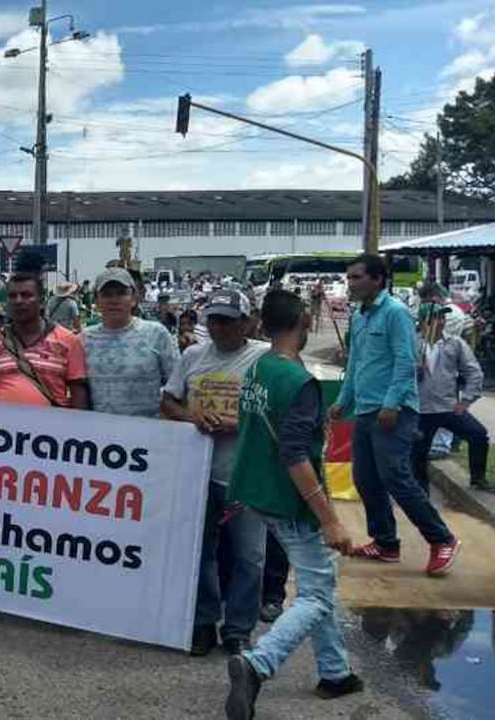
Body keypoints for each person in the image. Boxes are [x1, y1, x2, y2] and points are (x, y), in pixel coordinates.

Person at [224, 289, 362, 720]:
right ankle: (257, 663)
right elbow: (296, 456)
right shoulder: (298, 382)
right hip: (290, 501)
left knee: (317, 584)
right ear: (305, 322)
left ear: (262, 325)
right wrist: (330, 520)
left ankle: (335, 672)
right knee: (317, 595)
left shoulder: (260, 368)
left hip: (256, 491)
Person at [331, 254, 460, 575]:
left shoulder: (396, 313)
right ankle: (386, 542)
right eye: (349, 278)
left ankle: (442, 538)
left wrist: (391, 404)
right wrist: (342, 402)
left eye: (356, 277)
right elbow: (356, 365)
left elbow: (405, 362)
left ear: (377, 279)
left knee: (396, 477)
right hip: (364, 410)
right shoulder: (359, 316)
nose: (350, 283)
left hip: (393, 412)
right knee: (365, 479)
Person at [161, 290, 270, 657]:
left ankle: (239, 629)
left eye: (228, 319)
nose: (219, 327)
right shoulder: (192, 356)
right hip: (198, 473)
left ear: (247, 322)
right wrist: (193, 417)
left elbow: (281, 412)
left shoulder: (264, 359)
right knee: (199, 552)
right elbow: (168, 400)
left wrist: (241, 423)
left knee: (249, 556)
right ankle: (203, 622)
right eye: (214, 319)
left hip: (246, 474)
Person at [0, 272, 89, 409]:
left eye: (26, 295)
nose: (19, 301)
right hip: (2, 428)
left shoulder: (68, 341)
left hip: (50, 428)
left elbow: (78, 394)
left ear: (41, 301)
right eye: (12, 296)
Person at [411, 303, 492, 493]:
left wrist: (466, 401)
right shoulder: (412, 344)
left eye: (442, 318)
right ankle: (421, 492)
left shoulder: (455, 343)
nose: (440, 322)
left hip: (448, 407)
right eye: (435, 318)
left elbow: (474, 372)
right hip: (421, 409)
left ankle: (478, 478)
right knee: (417, 453)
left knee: (478, 434)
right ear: (423, 322)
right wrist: (415, 370)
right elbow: (397, 376)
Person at [82, 267, 179, 418]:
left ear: (134, 298)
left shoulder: (157, 334)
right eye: (107, 295)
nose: (114, 300)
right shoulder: (82, 339)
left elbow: (177, 385)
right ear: (96, 300)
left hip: (148, 434)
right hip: (99, 436)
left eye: (121, 293)